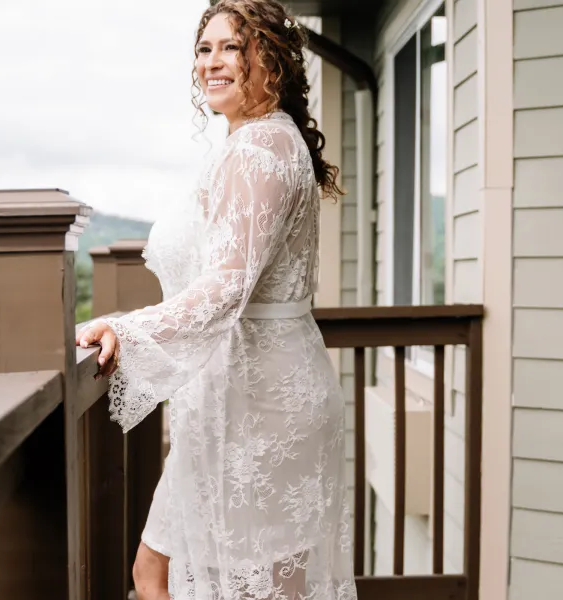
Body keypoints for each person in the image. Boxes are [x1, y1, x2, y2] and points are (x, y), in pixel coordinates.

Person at [77, 1, 357, 598]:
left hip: (263, 411)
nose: (214, 62)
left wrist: (127, 329)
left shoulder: (260, 150)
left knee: (250, 587)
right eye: (205, 50)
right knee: (154, 572)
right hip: (229, 399)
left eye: (233, 47)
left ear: (271, 60)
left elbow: (228, 285)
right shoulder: (257, 144)